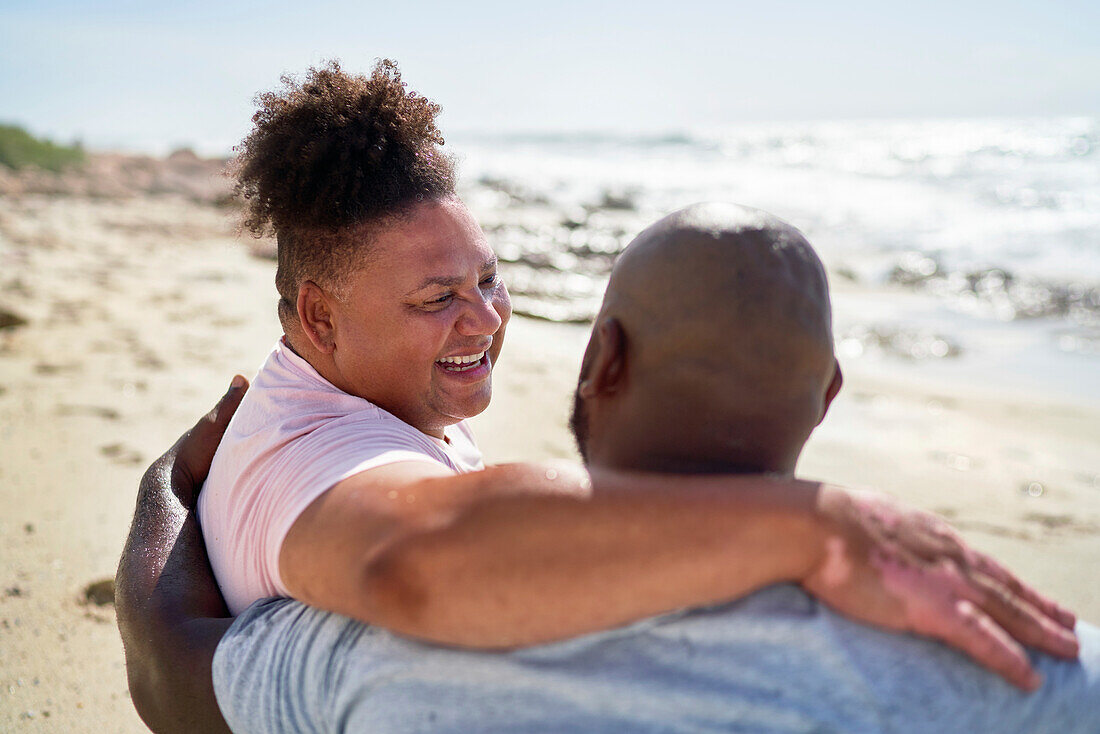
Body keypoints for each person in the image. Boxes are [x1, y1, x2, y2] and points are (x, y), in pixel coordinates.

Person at [115, 61, 1081, 733]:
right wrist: (815, 524)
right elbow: (414, 559)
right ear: (318, 320)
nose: (485, 318)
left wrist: (165, 484)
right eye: (436, 298)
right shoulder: (308, 454)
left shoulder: (329, 407)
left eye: (489, 278)